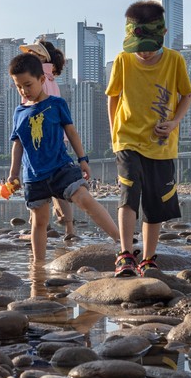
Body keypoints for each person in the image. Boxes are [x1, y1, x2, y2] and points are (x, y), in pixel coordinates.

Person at [106, 0, 191, 277]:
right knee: (129, 193)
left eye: (148, 48)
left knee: (156, 203)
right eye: (138, 48)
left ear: (163, 35)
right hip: (127, 139)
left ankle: (149, 258)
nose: (142, 54)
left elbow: (186, 95)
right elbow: (113, 98)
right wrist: (114, 134)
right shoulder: (122, 60)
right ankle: (125, 255)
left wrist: (175, 122)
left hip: (162, 145)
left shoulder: (174, 60)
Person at [7, 52, 119, 262]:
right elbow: (17, 145)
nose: (24, 90)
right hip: (34, 177)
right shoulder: (18, 112)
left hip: (60, 168)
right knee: (39, 222)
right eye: (19, 86)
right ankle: (38, 267)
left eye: (28, 84)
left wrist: (82, 159)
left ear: (42, 80)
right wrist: (13, 174)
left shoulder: (57, 104)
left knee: (85, 200)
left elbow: (71, 133)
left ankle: (121, 242)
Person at [19, 39, 77, 238]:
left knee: (35, 179)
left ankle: (37, 227)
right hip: (56, 138)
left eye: (34, 53)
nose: (29, 57)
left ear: (43, 57)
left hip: (39, 138)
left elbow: (30, 111)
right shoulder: (51, 78)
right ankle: (68, 228)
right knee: (58, 184)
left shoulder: (38, 78)